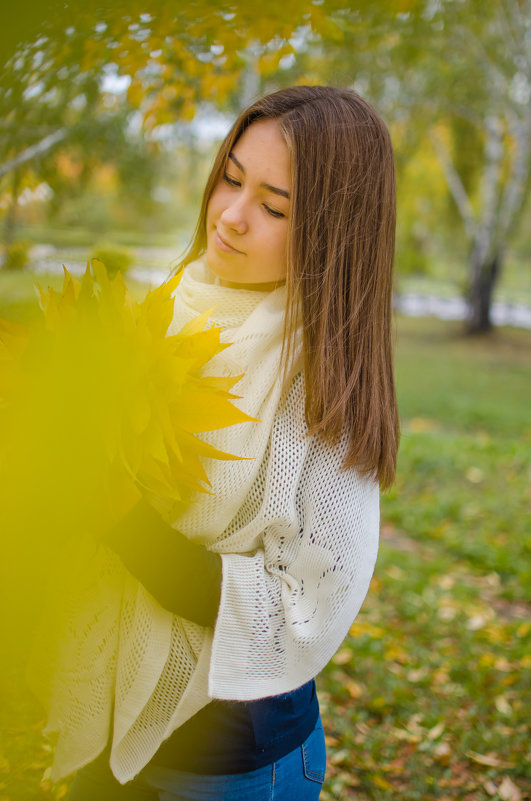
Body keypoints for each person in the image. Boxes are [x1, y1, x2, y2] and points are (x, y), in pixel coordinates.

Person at [41, 84, 399, 801]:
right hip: (107, 720)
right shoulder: (172, 304)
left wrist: (122, 517)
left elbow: (302, 603)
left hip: (228, 761)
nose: (230, 218)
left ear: (334, 229)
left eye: (274, 207)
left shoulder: (324, 387)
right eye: (231, 178)